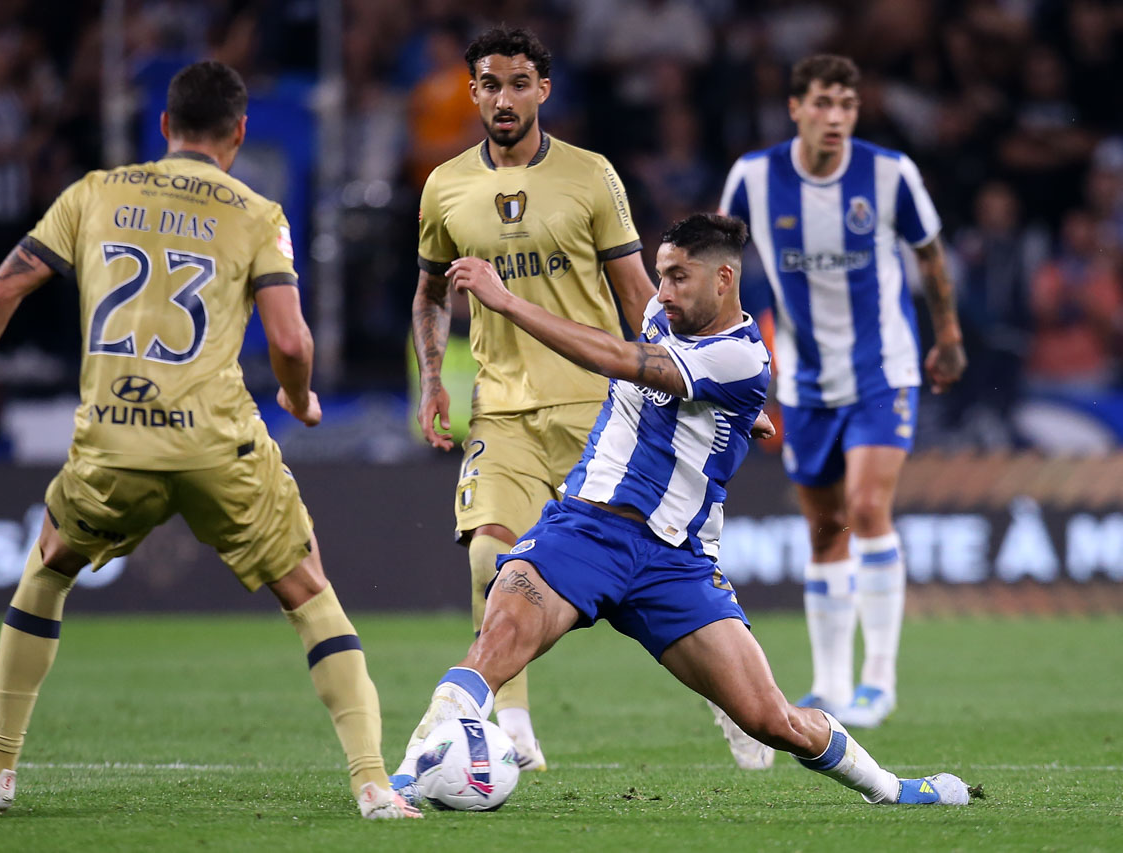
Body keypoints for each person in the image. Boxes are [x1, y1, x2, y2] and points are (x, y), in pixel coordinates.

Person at [0, 60, 419, 820]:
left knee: (48, 568)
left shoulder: (94, 193)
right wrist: (295, 395)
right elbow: (290, 336)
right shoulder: (256, 211)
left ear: (163, 127)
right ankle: (375, 784)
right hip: (216, 442)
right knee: (312, 593)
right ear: (240, 134)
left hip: (115, 440)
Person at [395, 212, 974, 808]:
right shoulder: (665, 317)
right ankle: (407, 776)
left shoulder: (742, 360)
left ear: (724, 279)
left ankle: (896, 791)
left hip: (675, 562)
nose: (663, 291)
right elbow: (657, 358)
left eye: (678, 278)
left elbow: (622, 361)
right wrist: (739, 415)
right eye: (660, 275)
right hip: (584, 530)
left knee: (771, 719)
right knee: (497, 642)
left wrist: (504, 301)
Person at [406, 25, 659, 780]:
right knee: (490, 552)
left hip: (597, 407)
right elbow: (426, 295)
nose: (505, 98)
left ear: (543, 89)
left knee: (649, 570)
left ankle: (728, 692)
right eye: (490, 84)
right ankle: (511, 723)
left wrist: (694, 373)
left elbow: (638, 294)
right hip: (504, 409)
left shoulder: (591, 176)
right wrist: (430, 381)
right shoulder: (445, 185)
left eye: (520, 83)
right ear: (473, 91)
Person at [718, 55, 967, 727]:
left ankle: (877, 679)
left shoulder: (889, 175)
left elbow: (931, 255)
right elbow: (719, 261)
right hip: (801, 378)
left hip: (883, 367)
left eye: (848, 106)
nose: (836, 118)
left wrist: (946, 335)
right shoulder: (755, 177)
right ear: (795, 107)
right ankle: (829, 682)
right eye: (824, 103)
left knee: (864, 505)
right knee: (825, 526)